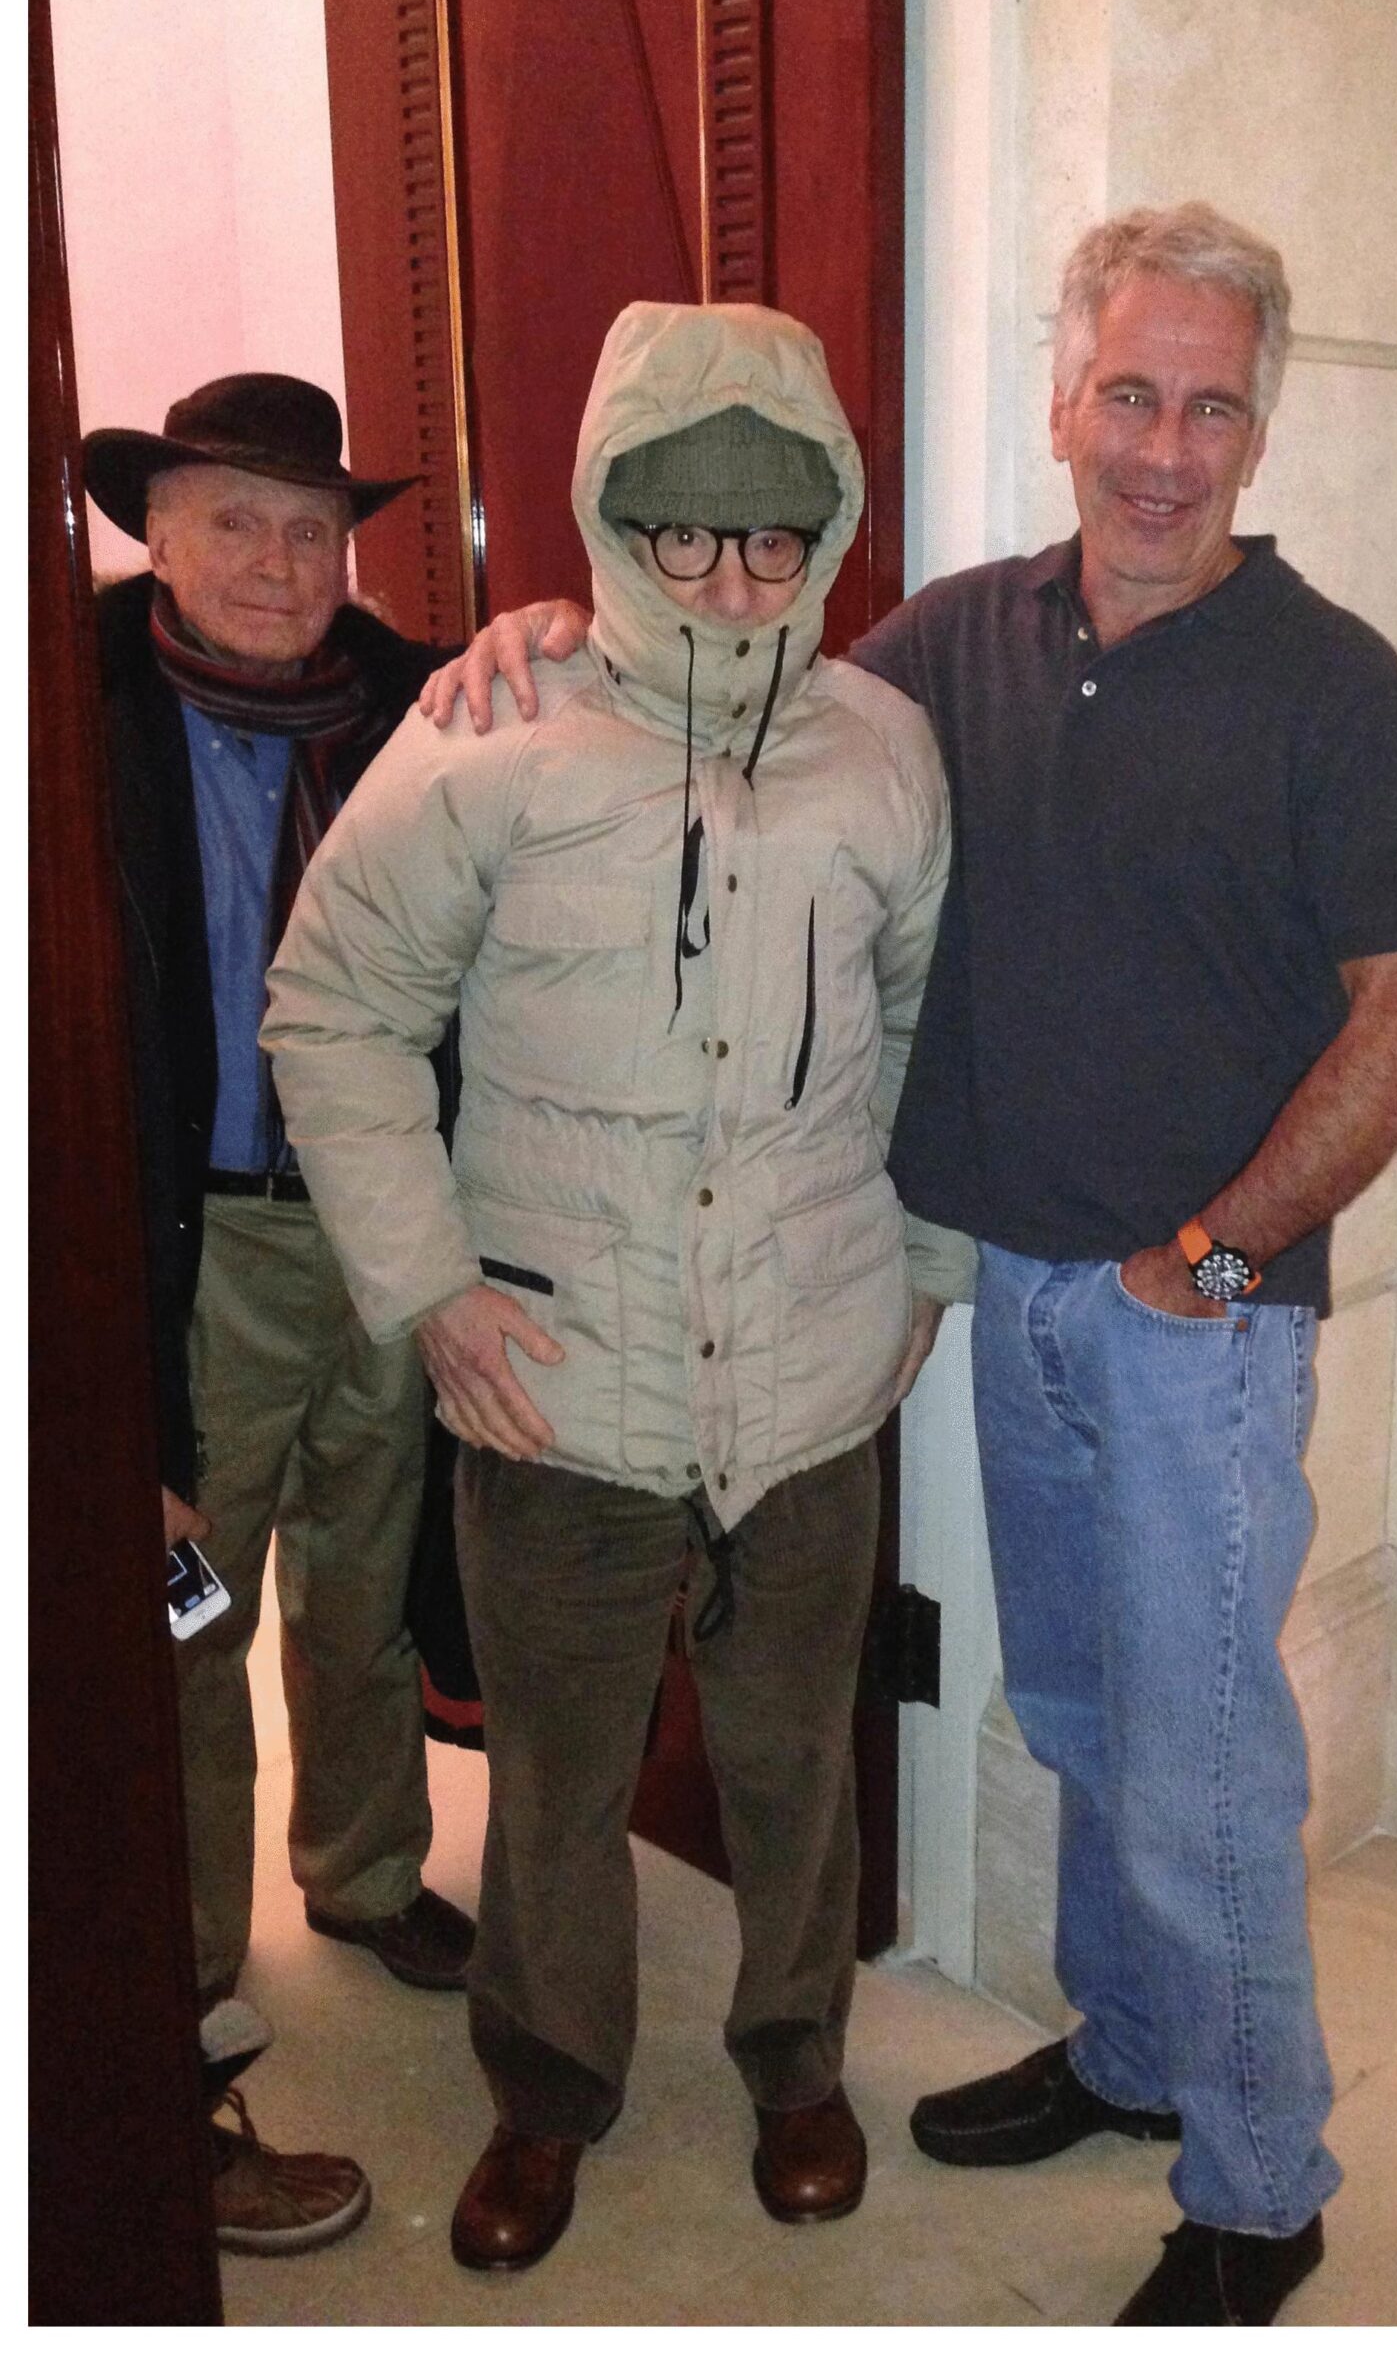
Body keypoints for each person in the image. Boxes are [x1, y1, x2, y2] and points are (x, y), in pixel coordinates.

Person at [432, 203, 1397, 2327]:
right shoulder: (954, 644)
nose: (1163, 449)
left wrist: (1216, 1256)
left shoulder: (1333, 684)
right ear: (1063, 400)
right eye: (1128, 395)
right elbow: (732, 684)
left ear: (1258, 429)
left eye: (1209, 408)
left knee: (1201, 1772)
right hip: (1016, 1293)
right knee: (1082, 1715)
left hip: (1200, 1329)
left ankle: (1261, 2182)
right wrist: (545, 625)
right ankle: (1131, 2051)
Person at [262, 299, 969, 2276]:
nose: (728, 580)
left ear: (829, 526)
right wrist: (426, 1287)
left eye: (771, 534)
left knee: (794, 1761)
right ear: (610, 518)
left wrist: (922, 1264)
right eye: (680, 532)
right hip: (554, 1377)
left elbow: (926, 1029)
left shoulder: (885, 750)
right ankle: (548, 2090)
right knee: (560, 1781)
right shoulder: (489, 731)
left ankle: (797, 2061)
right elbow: (332, 1008)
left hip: (812, 1373)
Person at [85, 372, 478, 2253]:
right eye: (231, 518)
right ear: (152, 535)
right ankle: (172, 1985)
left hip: (387, 1226)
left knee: (369, 1566)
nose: (273, 559)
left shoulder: (420, 715)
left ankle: (368, 1868)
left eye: (309, 527)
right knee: (182, 1611)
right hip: (193, 1248)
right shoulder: (67, 722)